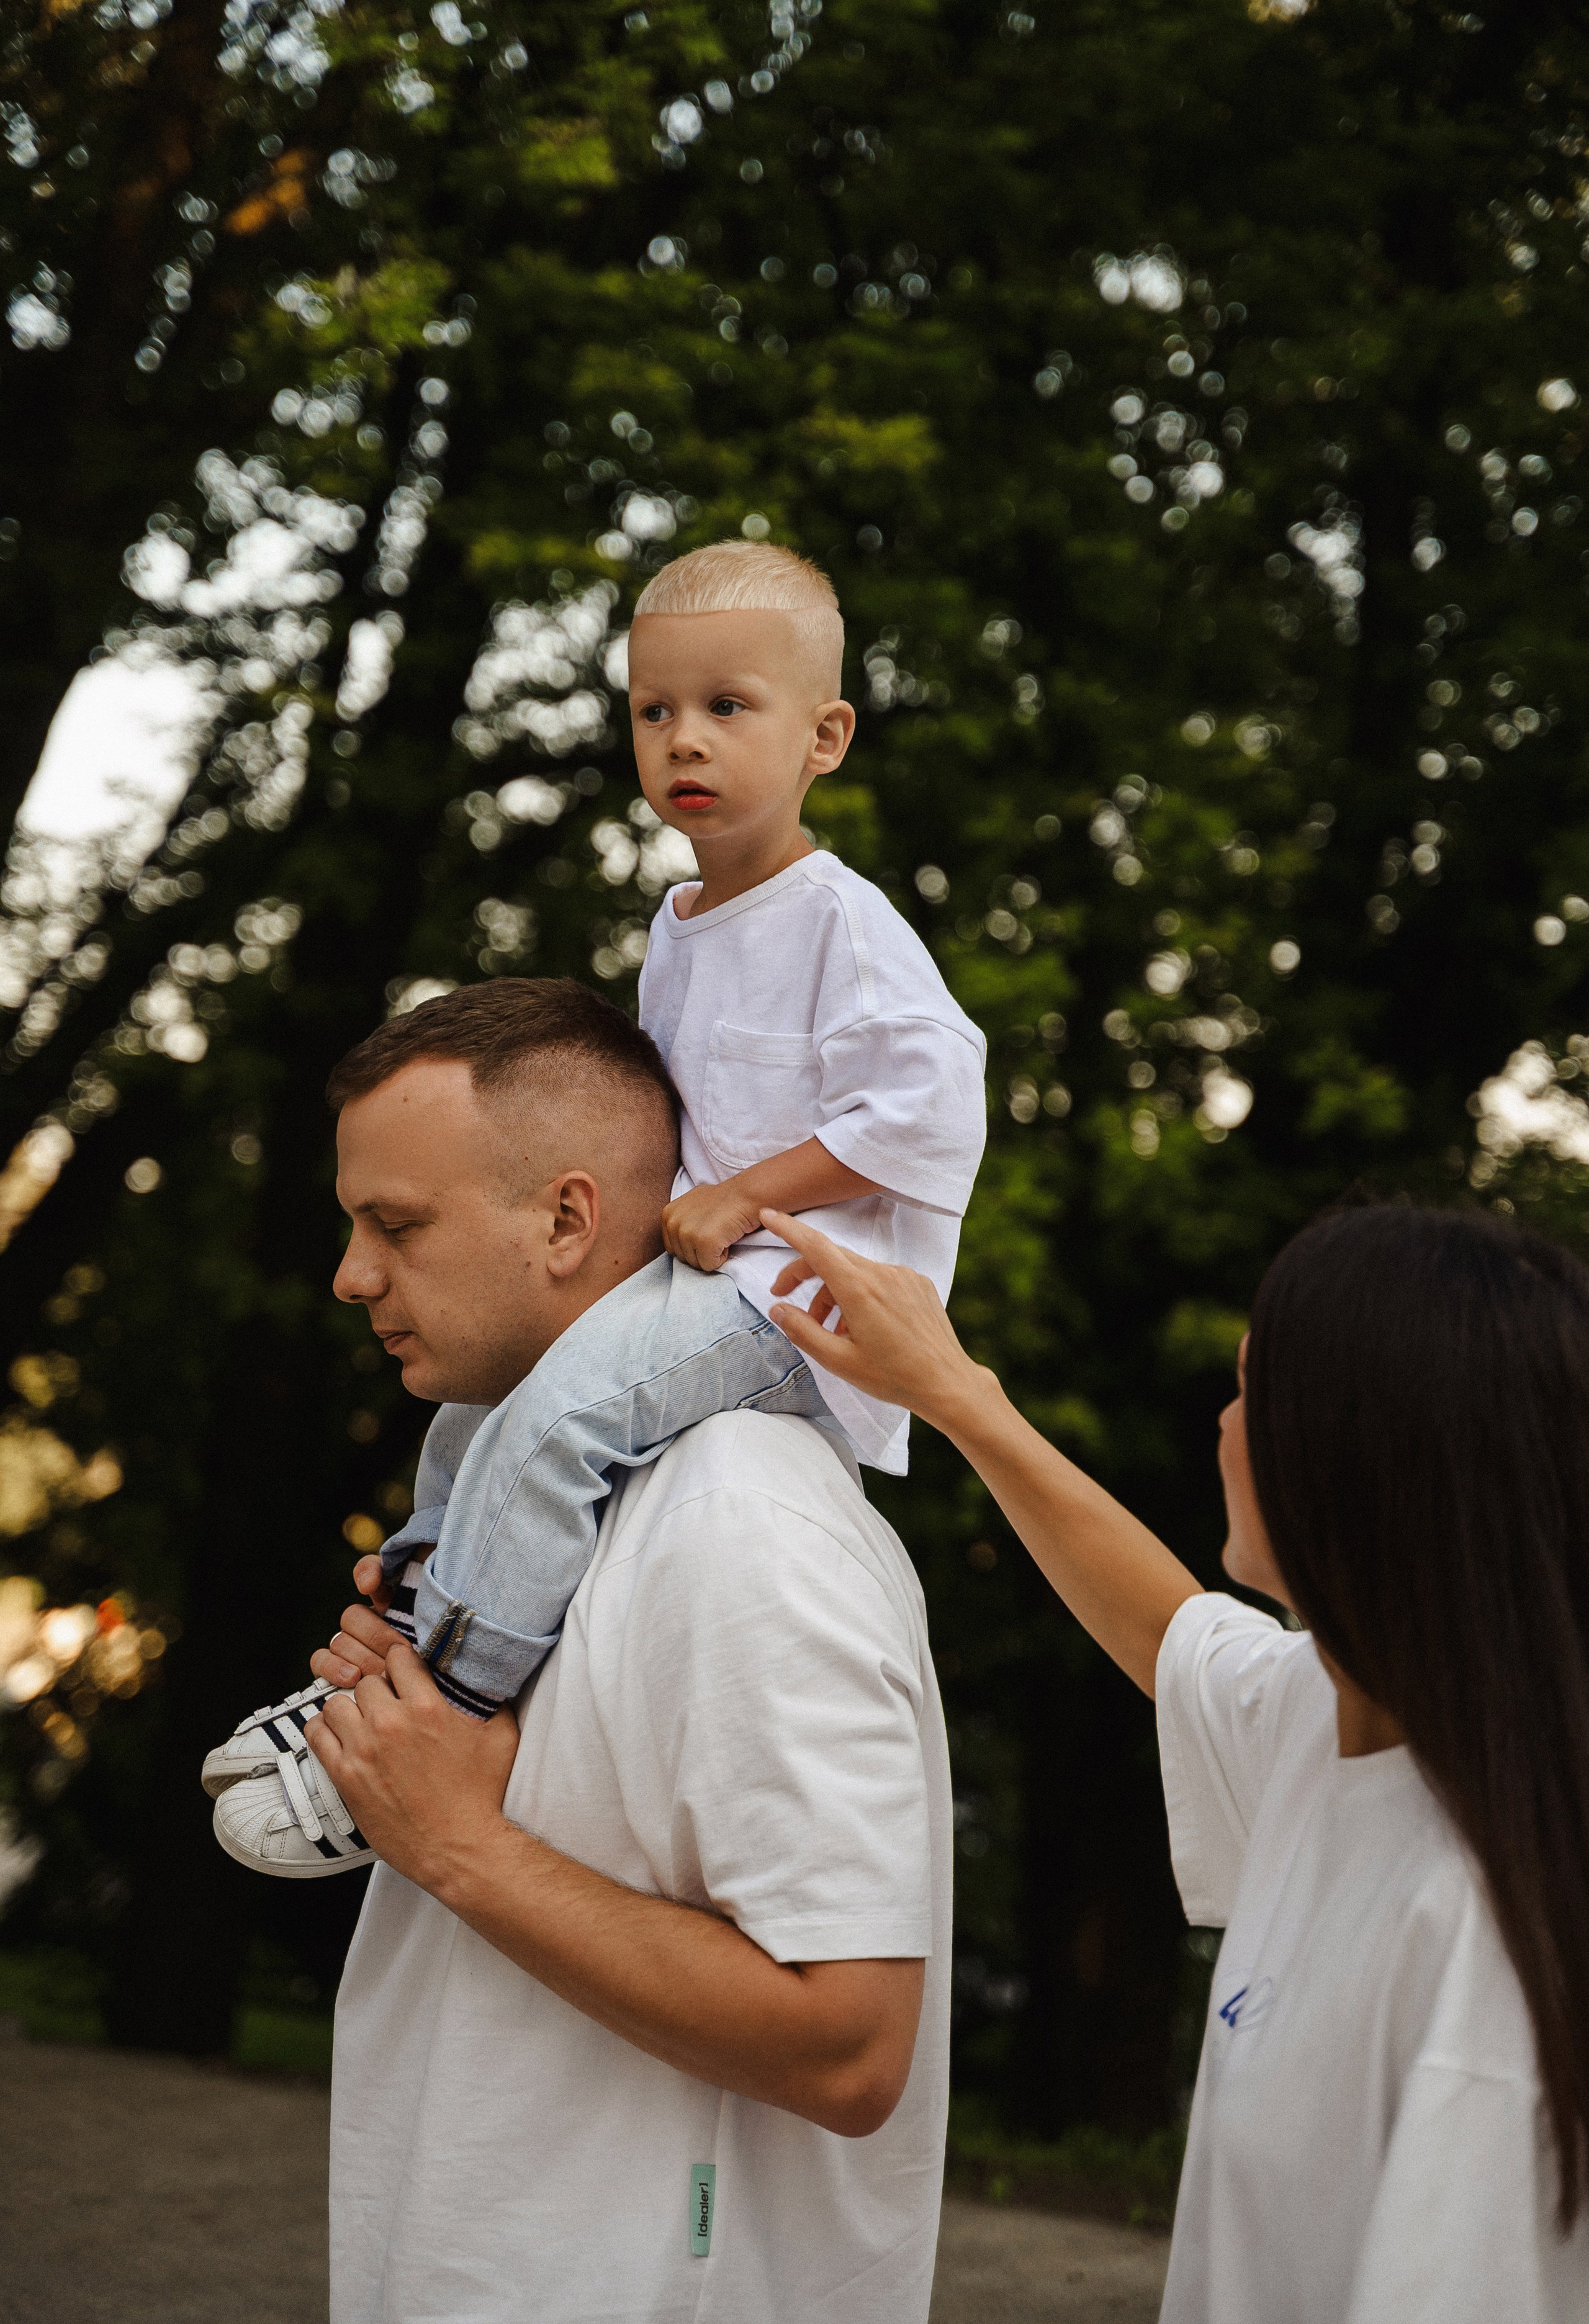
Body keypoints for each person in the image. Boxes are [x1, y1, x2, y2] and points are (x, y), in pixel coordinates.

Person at [203, 539, 986, 1874]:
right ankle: (405, 1631)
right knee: (479, 1405)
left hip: (787, 1295)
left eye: (727, 706)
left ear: (826, 736)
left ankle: (442, 1707)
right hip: (694, 1276)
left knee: (561, 1414)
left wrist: (743, 1194)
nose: (683, 738)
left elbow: (929, 1108)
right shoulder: (683, 920)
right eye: (652, 710)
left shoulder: (841, 923)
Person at [759, 1201, 1589, 2322]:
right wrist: (951, 1391)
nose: (1226, 1422)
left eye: (1253, 1390)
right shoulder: (1334, 1718)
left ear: (1353, 1452)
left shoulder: (1482, 1944)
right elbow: (1167, 1631)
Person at [279, 988, 954, 2320]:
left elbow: (851, 2042)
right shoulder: (532, 1508)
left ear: (569, 1219)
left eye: (396, 1225)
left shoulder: (738, 1525)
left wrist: (461, 1842)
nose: (353, 1274)